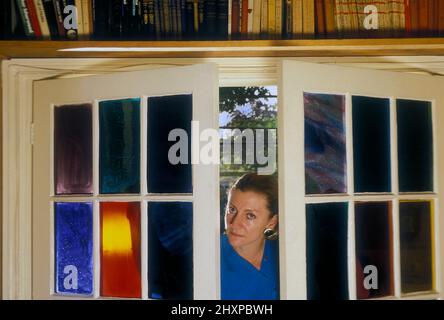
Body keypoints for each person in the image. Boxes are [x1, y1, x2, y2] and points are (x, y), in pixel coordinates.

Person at [221, 173, 279, 300]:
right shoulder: (209, 257)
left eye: (250, 216)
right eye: (232, 210)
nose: (234, 223)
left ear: (271, 222)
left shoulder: (283, 254)